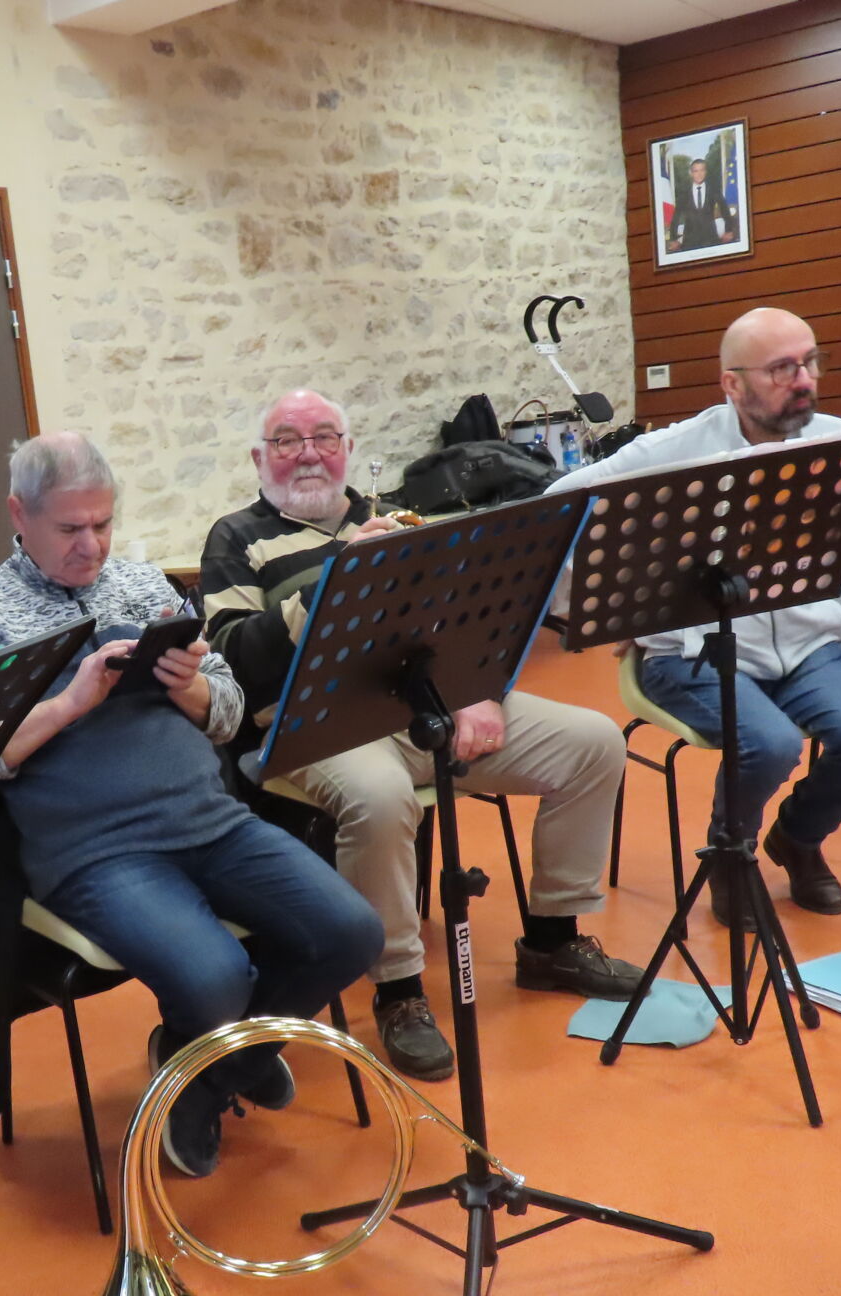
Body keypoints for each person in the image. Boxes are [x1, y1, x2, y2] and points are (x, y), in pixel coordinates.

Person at [0, 432, 381, 1176]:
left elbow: (228, 711)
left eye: (103, 524)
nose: (92, 545)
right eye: (71, 528)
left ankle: (201, 1078)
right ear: (19, 514)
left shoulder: (143, 587)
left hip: (212, 821)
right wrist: (69, 703)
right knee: (215, 976)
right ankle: (217, 1053)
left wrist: (191, 687)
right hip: (97, 853)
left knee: (352, 932)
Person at [200, 389, 643, 1085]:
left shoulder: (397, 519)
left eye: (324, 437)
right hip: (315, 728)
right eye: (287, 440)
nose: (308, 453)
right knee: (379, 798)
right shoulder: (236, 538)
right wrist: (337, 577)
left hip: (422, 709)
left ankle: (552, 939)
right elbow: (237, 664)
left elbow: (466, 623)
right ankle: (399, 989)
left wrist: (479, 692)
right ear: (260, 458)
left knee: (595, 742)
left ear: (348, 450)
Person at [547, 307, 841, 931]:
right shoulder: (673, 449)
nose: (804, 380)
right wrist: (616, 610)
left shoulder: (838, 443)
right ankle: (730, 858)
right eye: (782, 368)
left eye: (811, 362)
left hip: (809, 650)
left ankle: (798, 837)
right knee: (772, 743)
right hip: (692, 654)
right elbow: (556, 508)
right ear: (732, 383)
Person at [668, 158, 734, 253]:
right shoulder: (684, 193)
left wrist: (728, 230)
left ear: (705, 172)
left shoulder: (713, 189)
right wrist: (673, 239)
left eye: (702, 170)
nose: (699, 174)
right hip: (689, 242)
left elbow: (725, 209)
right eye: (696, 171)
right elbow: (676, 216)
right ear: (691, 173)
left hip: (711, 239)